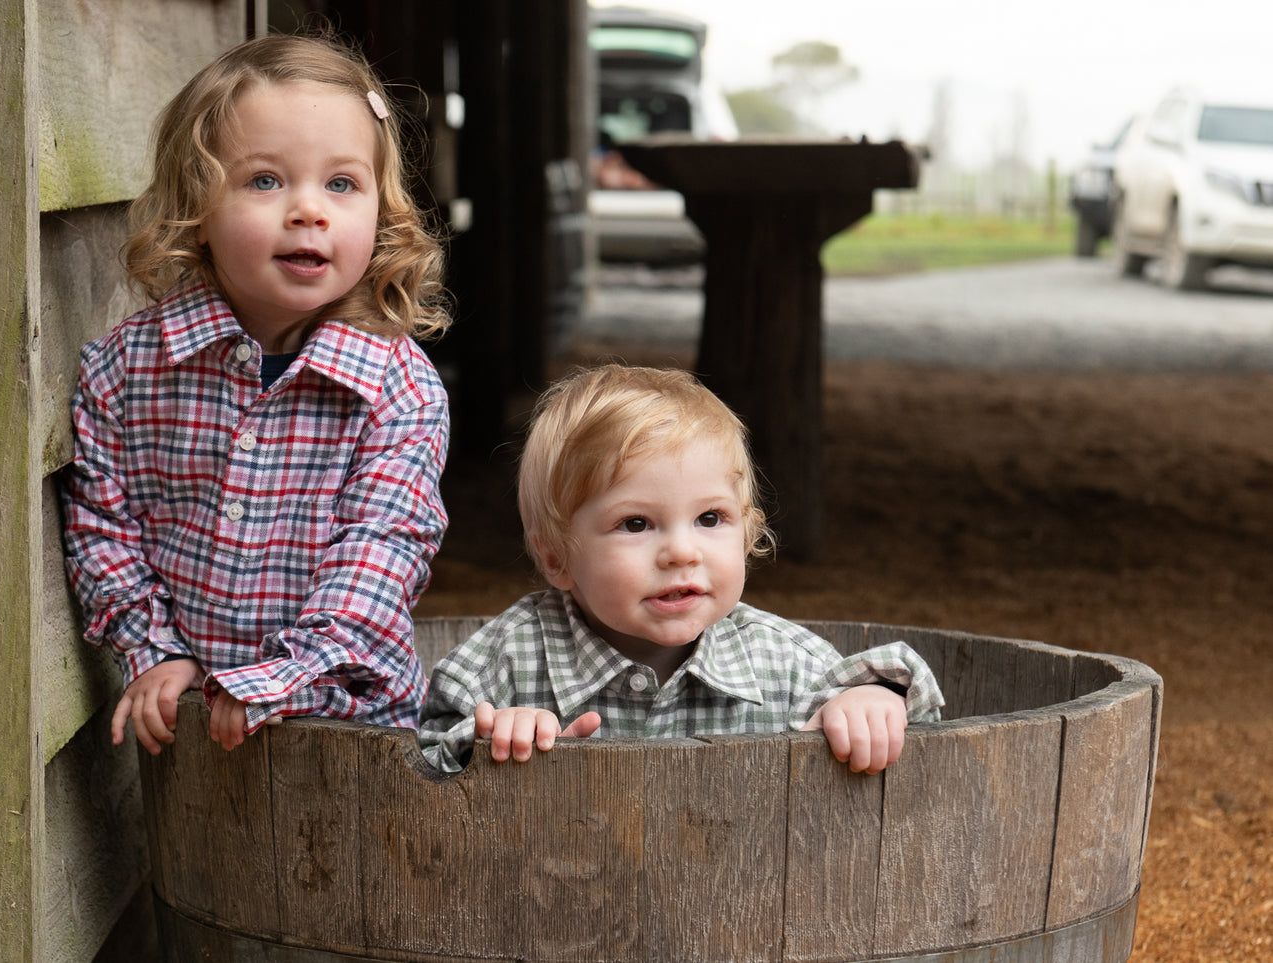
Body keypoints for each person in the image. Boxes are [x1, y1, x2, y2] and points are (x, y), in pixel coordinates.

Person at [60, 32, 452, 755]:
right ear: (196, 207)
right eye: (265, 180)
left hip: (350, 726)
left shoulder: (399, 389)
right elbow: (102, 521)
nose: (309, 210)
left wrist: (283, 676)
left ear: (381, 211)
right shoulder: (127, 367)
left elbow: (382, 550)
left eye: (341, 184)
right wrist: (154, 648)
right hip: (191, 728)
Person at [418, 365, 942, 772]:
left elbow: (926, 743)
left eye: (709, 518)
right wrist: (489, 744)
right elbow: (412, 765)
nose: (680, 552)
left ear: (748, 531)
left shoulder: (787, 666)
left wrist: (872, 702)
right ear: (557, 556)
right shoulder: (508, 660)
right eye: (636, 524)